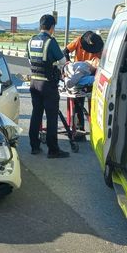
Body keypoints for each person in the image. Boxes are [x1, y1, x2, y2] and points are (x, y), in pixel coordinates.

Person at [27, 14, 70, 158]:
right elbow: (63, 61)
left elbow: (29, 60)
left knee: (36, 114)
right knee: (51, 117)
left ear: (40, 26)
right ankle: (53, 150)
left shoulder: (31, 40)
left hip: (34, 83)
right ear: (52, 27)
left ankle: (34, 146)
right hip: (48, 84)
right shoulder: (50, 42)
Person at [62, 31, 104, 136]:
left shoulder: (98, 44)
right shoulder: (78, 41)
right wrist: (68, 62)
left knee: (93, 105)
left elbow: (101, 61)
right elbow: (65, 51)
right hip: (79, 71)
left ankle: (94, 130)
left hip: (90, 73)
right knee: (78, 105)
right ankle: (79, 130)